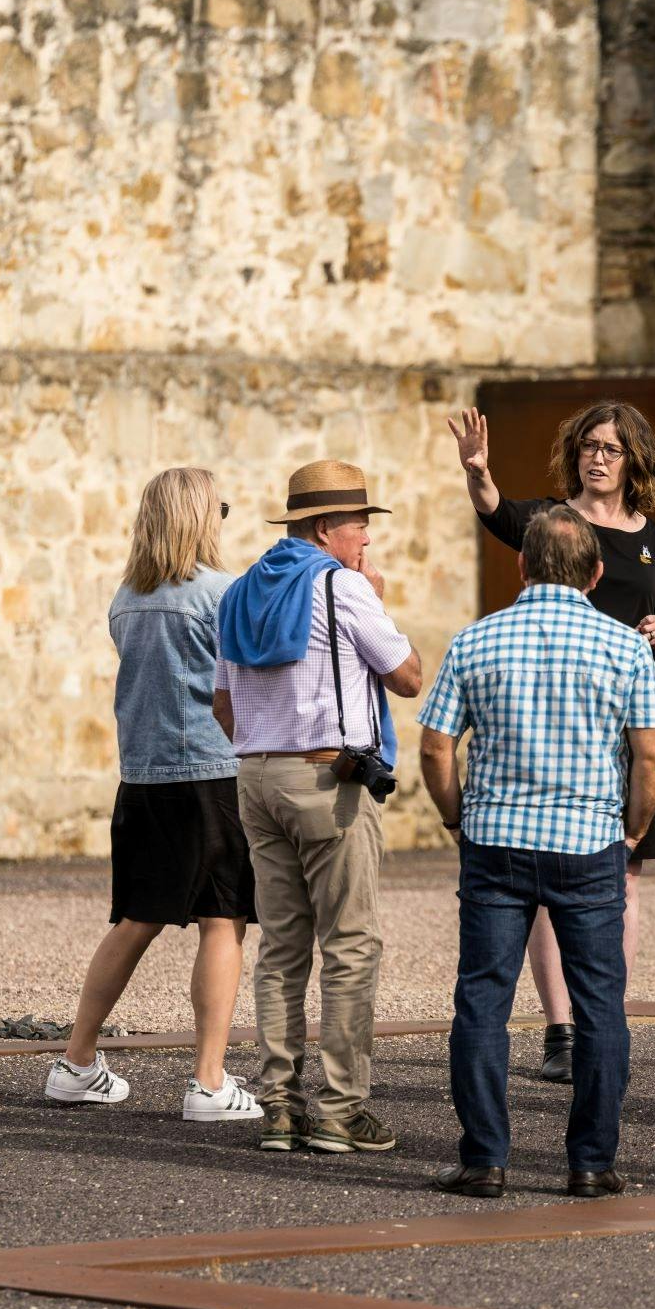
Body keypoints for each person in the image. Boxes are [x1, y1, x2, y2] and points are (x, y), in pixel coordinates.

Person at [416, 508, 655, 1200]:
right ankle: (590, 1162)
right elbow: (651, 759)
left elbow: (437, 746)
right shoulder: (625, 649)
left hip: (495, 839)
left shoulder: (476, 640)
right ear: (595, 573)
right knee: (600, 1007)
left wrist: (455, 816)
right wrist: (633, 831)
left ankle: (484, 1159)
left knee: (481, 1001)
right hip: (590, 844)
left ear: (520, 566)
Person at [448, 401, 655, 1087]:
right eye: (588, 447)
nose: (597, 458)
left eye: (610, 448)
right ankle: (564, 1027)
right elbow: (497, 512)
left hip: (625, 720)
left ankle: (603, 1012)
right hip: (551, 720)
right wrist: (477, 471)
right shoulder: (553, 521)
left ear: (632, 459)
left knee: (624, 877)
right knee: (554, 881)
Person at [211, 460, 424, 1157]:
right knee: (350, 943)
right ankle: (339, 1106)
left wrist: (260, 745)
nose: (366, 535)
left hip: (255, 774)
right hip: (326, 777)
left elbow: (221, 700)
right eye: (360, 522)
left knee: (279, 946)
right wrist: (378, 602)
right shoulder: (343, 586)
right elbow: (407, 675)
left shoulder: (241, 591)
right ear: (326, 527)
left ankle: (278, 1105)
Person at [44, 468, 261, 1123]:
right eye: (219, 508)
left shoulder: (125, 600)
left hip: (141, 778)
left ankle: (77, 1060)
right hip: (212, 775)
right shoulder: (226, 594)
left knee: (135, 918)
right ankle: (208, 1080)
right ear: (200, 517)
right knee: (223, 919)